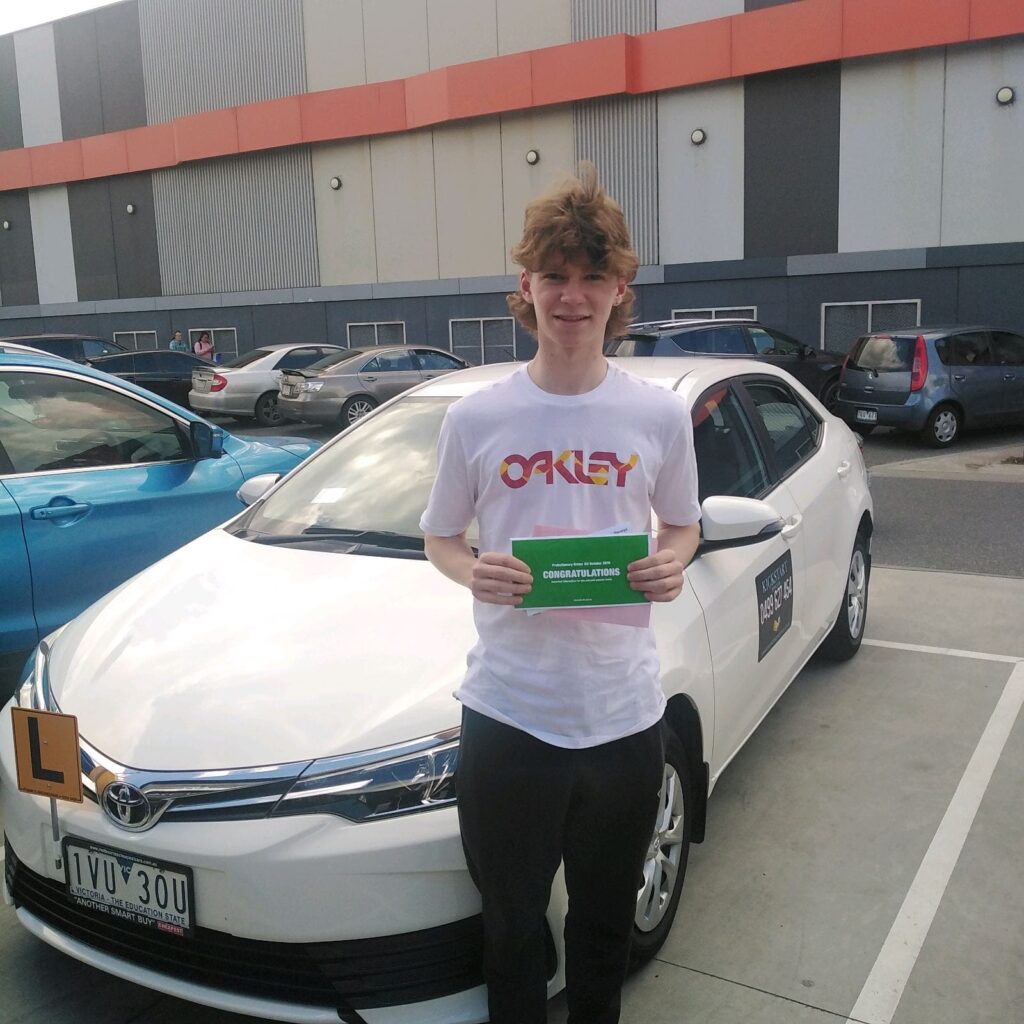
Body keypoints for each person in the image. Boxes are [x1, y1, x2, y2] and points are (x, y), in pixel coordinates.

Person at [419, 164, 701, 1024]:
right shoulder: (477, 418)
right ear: (526, 286)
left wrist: (672, 561)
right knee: (510, 934)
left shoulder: (657, 415)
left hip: (622, 718)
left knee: (604, 930)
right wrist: (472, 569)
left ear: (619, 290)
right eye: (554, 276)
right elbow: (440, 538)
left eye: (591, 277)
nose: (572, 296)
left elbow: (683, 525)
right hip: (510, 718)